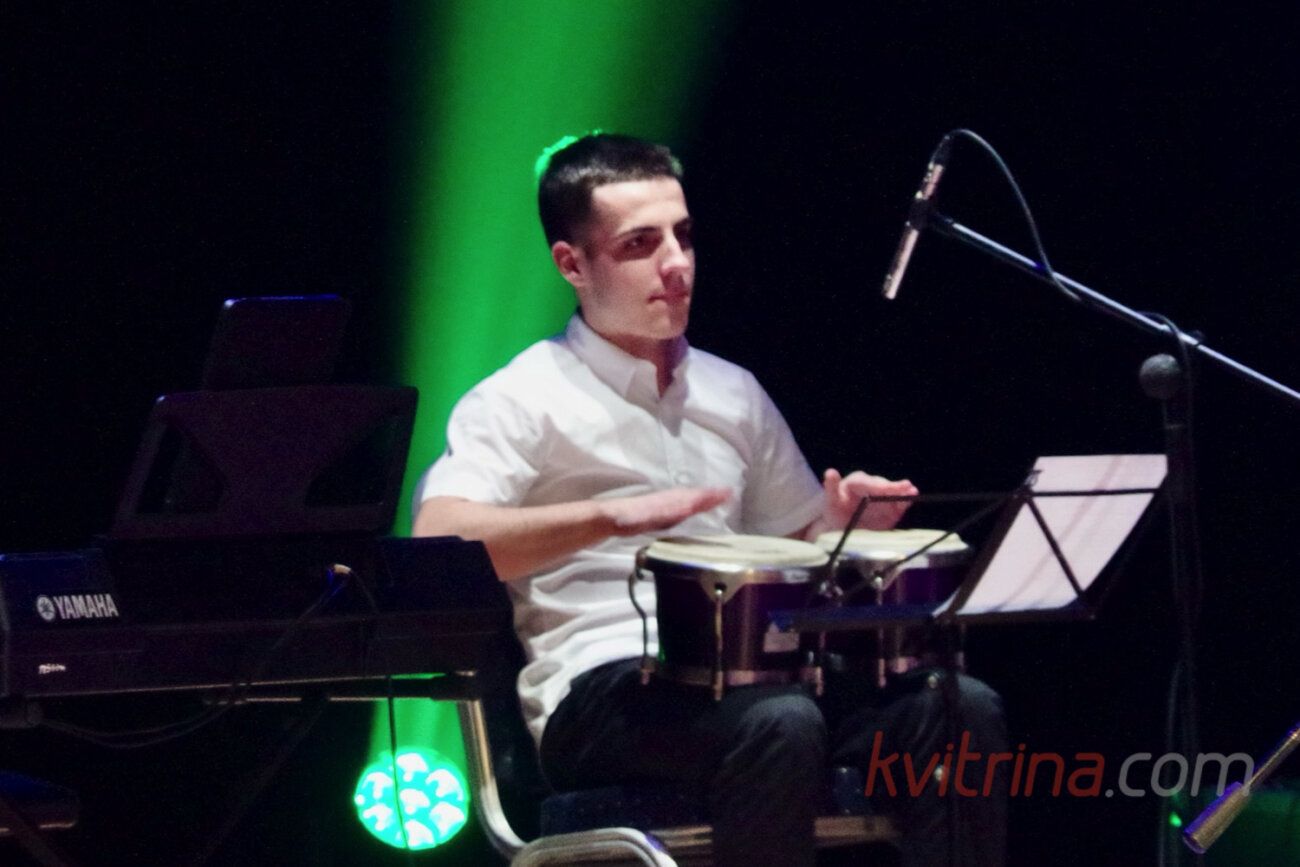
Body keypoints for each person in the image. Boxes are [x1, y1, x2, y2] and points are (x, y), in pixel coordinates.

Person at [414, 133, 1007, 867]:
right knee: (779, 720)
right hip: (603, 691)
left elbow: (793, 547)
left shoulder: (733, 392)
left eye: (684, 235)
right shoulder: (522, 397)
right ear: (572, 264)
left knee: (956, 705)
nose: (677, 263)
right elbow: (437, 541)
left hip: (759, 677)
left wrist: (841, 523)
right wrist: (606, 517)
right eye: (640, 244)